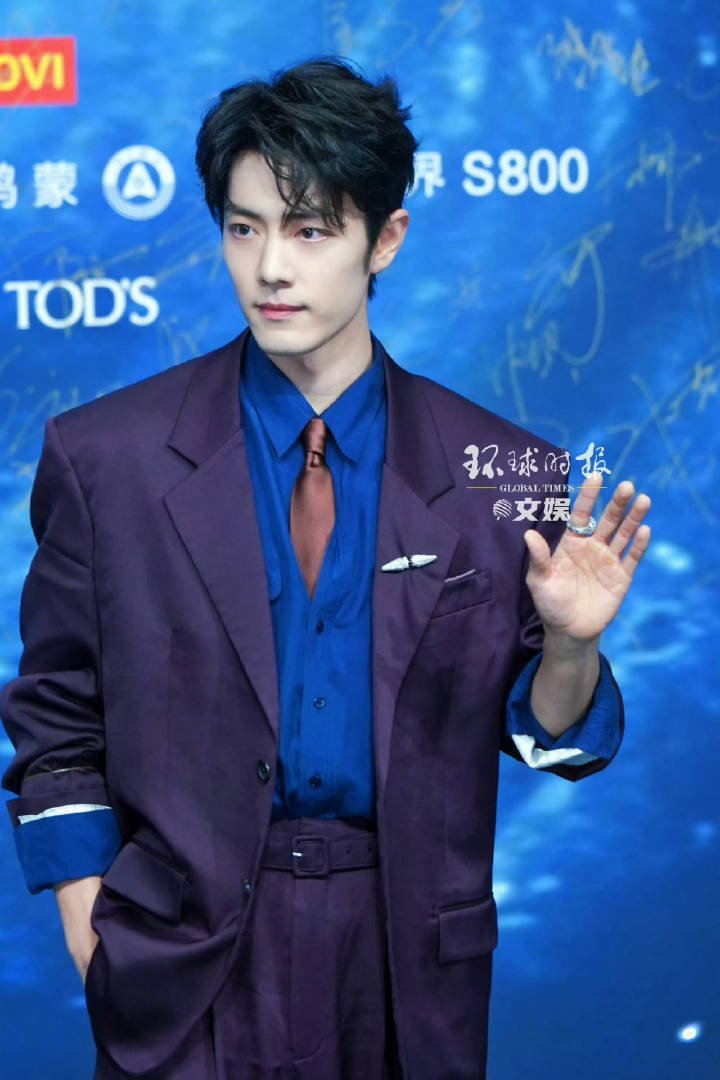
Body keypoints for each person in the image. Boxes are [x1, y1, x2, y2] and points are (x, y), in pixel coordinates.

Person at [1, 58, 651, 1079]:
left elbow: (552, 745)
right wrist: (96, 938)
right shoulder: (106, 459)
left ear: (385, 238)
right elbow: (55, 722)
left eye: (309, 231)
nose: (270, 268)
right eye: (244, 227)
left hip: (404, 964)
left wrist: (570, 648)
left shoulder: (507, 473)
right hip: (180, 957)